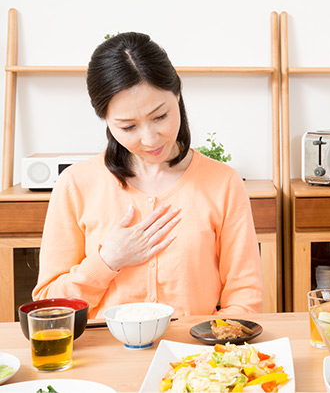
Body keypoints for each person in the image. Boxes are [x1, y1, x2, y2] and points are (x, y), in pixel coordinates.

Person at [33, 32, 263, 318]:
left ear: (177, 93)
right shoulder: (76, 185)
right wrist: (107, 260)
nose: (150, 139)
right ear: (105, 119)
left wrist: (207, 358)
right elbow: (47, 307)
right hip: (105, 358)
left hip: (194, 357)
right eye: (128, 127)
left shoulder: (223, 182)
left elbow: (245, 300)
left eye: (160, 117)